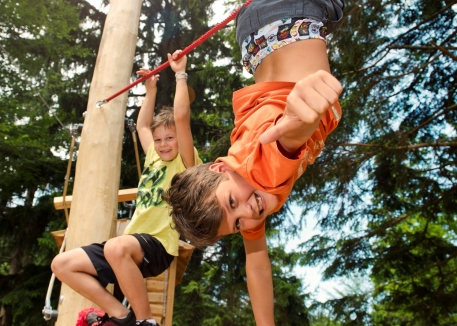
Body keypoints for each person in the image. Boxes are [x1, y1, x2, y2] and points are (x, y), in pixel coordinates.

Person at [162, 0, 344, 324]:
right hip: (253, 38)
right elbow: (256, 263)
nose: (247, 213)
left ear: (219, 170)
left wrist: (300, 117)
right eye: (236, 224)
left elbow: (284, 141)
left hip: (295, 14)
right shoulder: (239, 181)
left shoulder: (262, 172)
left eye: (232, 203)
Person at [51, 50, 201, 326]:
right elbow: (143, 124)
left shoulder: (185, 164)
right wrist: (151, 89)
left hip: (159, 246)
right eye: (159, 140)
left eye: (170, 138)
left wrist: (180, 74)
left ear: (180, 139)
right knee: (62, 265)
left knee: (116, 248)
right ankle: (121, 316)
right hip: (129, 247)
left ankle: (146, 321)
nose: (164, 144)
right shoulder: (155, 157)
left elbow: (181, 117)